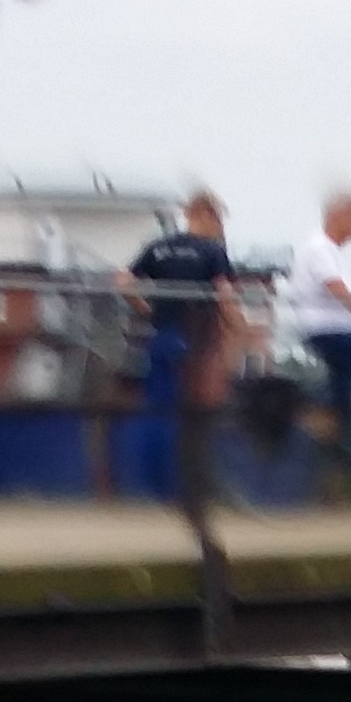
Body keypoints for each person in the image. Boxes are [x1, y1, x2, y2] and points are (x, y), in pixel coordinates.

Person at [119, 190, 236, 499]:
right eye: (219, 219)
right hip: (196, 342)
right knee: (194, 414)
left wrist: (146, 307)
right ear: (208, 215)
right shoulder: (212, 251)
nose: (221, 227)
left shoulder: (159, 247)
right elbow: (224, 295)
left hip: (163, 336)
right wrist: (237, 325)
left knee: (158, 410)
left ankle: (149, 484)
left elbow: (123, 281)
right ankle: (186, 486)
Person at [288, 188, 351, 475]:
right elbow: (336, 291)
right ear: (338, 216)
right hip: (327, 329)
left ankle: (334, 425)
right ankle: (323, 413)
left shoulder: (326, 250)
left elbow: (342, 295)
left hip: (332, 327)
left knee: (349, 380)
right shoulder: (320, 248)